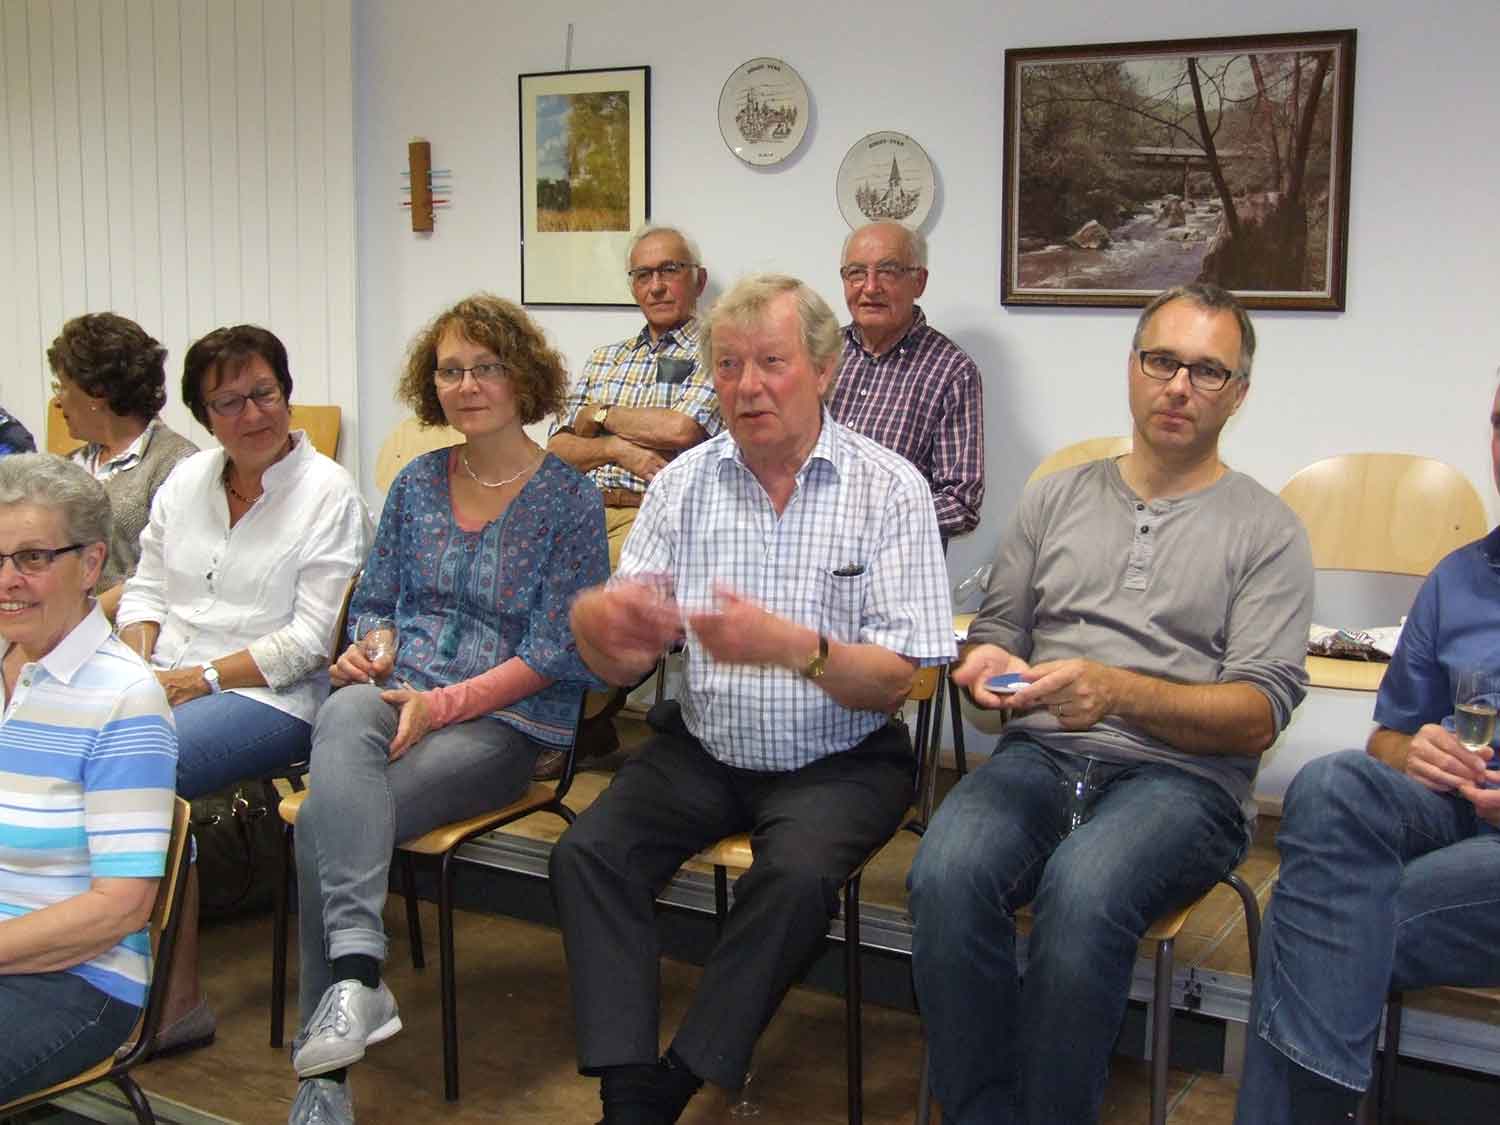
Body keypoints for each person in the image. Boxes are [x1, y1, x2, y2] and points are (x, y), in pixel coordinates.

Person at [551, 274, 955, 1125]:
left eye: (772, 362)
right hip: (705, 744)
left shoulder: (890, 487)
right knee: (589, 853)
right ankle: (627, 1092)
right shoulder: (683, 484)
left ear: (824, 369)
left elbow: (897, 676)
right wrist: (600, 625)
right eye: (729, 366)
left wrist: (791, 646)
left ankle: (680, 1077)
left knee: (797, 875)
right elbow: (619, 657)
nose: (747, 386)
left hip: (842, 755)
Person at [907, 283, 1314, 1125]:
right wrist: (986, 664)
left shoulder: (1268, 530)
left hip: (1186, 784)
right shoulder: (1055, 497)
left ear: (1238, 393)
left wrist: (1118, 691)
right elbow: (998, 632)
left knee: (1083, 890)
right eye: (1162, 361)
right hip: (1041, 755)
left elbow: (1257, 714)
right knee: (944, 871)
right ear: (1132, 367)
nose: (1179, 386)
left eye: (1208, 371)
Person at [285, 294, 607, 1125]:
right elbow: (377, 600)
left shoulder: (570, 500)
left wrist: (441, 703)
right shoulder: (418, 483)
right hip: (396, 696)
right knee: (343, 709)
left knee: (321, 821)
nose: (467, 385)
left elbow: (555, 651)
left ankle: (325, 1076)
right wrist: (370, 648)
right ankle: (359, 979)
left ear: (522, 377)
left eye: (486, 367)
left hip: (507, 728)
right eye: (451, 370)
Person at [1233, 381, 1500, 1125]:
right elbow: (1385, 737)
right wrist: (1416, 751)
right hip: (1451, 810)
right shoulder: (1460, 577)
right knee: (1330, 784)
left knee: (1315, 914)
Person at [114, 324, 370, 1055]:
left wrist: (197, 679)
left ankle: (174, 1001)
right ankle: (88, 971)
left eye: (265, 393)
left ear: (286, 393)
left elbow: (311, 640)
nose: (252, 414)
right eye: (228, 402)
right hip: (165, 680)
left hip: (273, 697)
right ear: (204, 415)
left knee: (139, 766)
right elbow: (145, 589)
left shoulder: (328, 493)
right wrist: (138, 669)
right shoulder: (188, 480)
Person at [0, 454, 178, 1103]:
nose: (7, 580)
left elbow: (118, 908)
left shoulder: (124, 698)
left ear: (91, 563)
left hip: (75, 981)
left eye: (32, 558)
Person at [547, 222, 719, 569]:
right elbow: (557, 450)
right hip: (579, 512)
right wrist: (617, 449)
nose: (656, 287)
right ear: (633, 287)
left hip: (656, 519)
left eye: (669, 270)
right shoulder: (604, 358)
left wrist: (600, 415)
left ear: (698, 281)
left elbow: (680, 430)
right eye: (643, 275)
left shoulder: (719, 353)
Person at [831, 221, 985, 539]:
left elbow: (960, 503)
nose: (870, 287)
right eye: (856, 273)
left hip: (890, 557)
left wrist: (877, 518)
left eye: (888, 272)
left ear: (919, 282)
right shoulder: (818, 353)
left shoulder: (952, 371)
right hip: (807, 550)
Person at [48, 313, 198, 616]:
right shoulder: (65, 467)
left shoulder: (178, 463)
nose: (58, 401)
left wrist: (78, 622)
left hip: (130, 627)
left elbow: (171, 573)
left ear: (97, 393)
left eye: (62, 386)